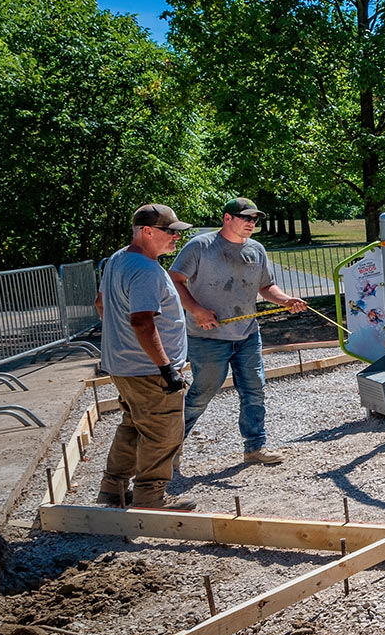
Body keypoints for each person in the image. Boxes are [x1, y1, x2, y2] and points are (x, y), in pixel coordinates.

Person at [171, 197, 307, 466]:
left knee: (254, 390)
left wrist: (285, 300)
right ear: (227, 218)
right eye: (245, 218)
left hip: (247, 334)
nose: (251, 223)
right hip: (207, 337)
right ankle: (170, 447)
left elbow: (267, 286)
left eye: (254, 220)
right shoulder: (201, 246)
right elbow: (175, 279)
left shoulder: (256, 250)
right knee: (202, 393)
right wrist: (197, 310)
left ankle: (255, 447)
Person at [96, 205, 196, 511]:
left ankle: (112, 490)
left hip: (125, 366)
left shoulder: (118, 259)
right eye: (170, 231)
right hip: (148, 370)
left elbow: (101, 304)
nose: (176, 237)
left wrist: (120, 344)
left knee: (133, 426)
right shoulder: (146, 270)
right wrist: (166, 368)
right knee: (163, 433)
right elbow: (142, 321)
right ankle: (150, 497)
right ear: (147, 232)